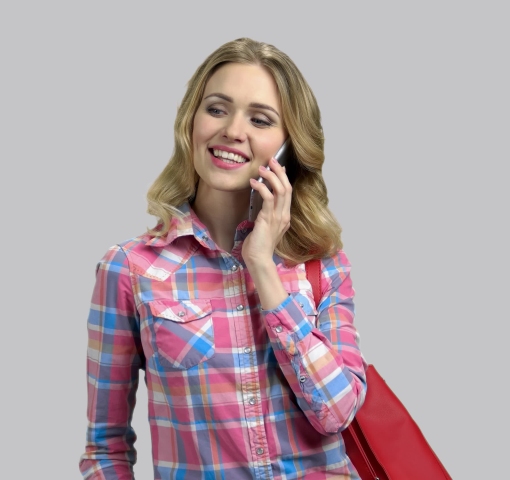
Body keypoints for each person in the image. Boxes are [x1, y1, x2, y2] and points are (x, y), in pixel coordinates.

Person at [79, 37, 368, 480]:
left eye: (260, 119)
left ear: (289, 148)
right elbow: (105, 448)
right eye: (217, 109)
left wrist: (262, 266)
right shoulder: (130, 270)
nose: (234, 130)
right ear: (190, 123)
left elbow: (337, 412)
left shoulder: (321, 265)